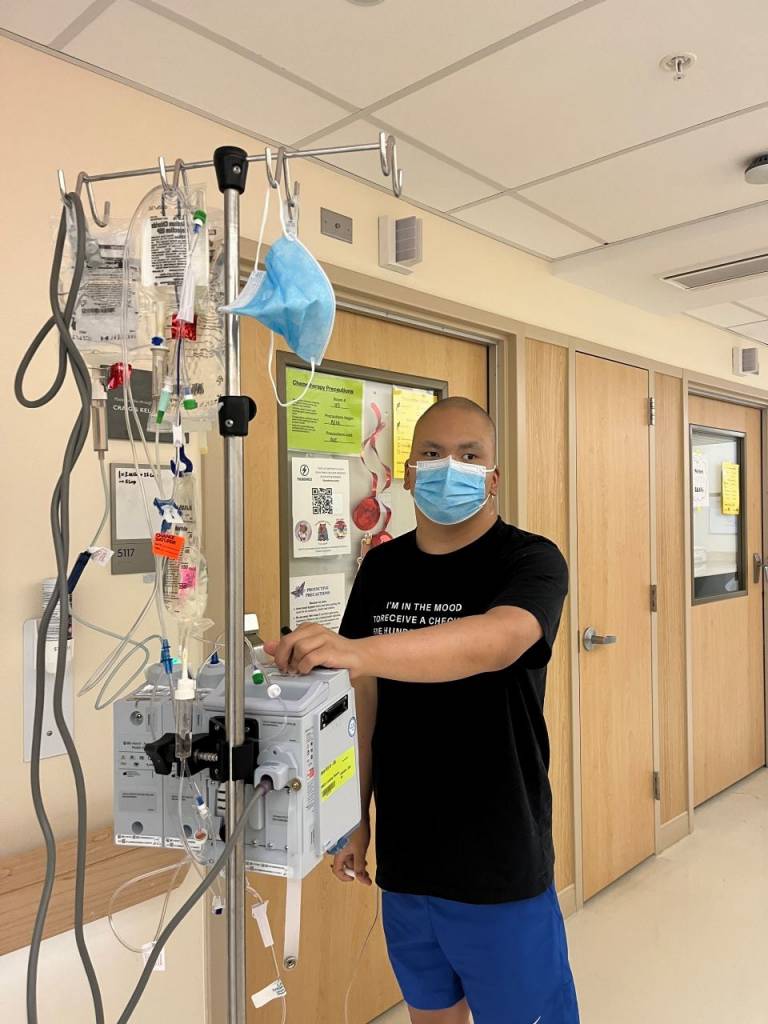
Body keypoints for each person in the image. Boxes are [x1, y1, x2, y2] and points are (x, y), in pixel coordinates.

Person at [266, 397, 579, 1024]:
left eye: (470, 456)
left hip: (499, 861)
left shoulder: (529, 559)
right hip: (408, 864)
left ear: (494, 477)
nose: (449, 467)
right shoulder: (382, 567)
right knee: (430, 1014)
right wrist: (353, 814)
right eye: (432, 454)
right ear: (408, 474)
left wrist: (353, 649)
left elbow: (498, 641)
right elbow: (366, 698)